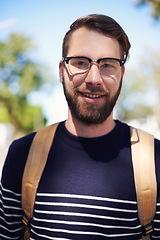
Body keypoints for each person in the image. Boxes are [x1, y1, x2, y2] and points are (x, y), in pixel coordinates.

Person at [0, 14, 160, 240]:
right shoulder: (22, 155)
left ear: (121, 74)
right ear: (61, 71)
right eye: (80, 62)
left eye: (107, 65)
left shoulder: (155, 161)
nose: (94, 78)